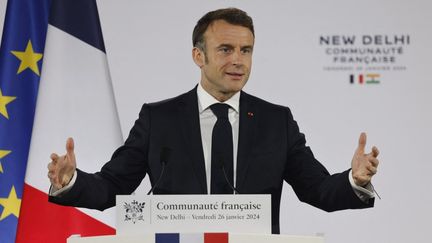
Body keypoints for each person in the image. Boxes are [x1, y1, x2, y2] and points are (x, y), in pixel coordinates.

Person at [47, 8, 379, 234]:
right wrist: (71, 181)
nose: (238, 61)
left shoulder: (276, 122)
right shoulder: (158, 119)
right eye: (225, 49)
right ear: (198, 56)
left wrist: (355, 179)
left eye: (246, 50)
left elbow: (318, 190)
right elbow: (112, 188)